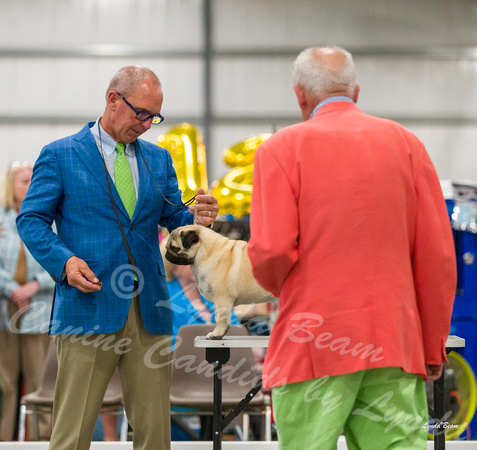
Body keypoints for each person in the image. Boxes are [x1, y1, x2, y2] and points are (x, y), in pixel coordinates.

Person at [247, 46, 457, 449]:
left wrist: (282, 287)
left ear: (300, 96)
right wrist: (431, 343)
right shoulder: (407, 145)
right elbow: (439, 258)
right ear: (355, 92)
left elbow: (272, 251)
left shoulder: (278, 150)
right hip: (393, 344)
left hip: (314, 344)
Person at [16, 66, 218, 450]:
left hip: (149, 311)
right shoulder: (60, 155)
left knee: (154, 435)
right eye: (140, 113)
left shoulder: (158, 160)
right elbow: (31, 219)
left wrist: (197, 219)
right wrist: (63, 262)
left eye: (154, 117)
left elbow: (172, 218)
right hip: (86, 305)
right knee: (71, 435)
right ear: (112, 100)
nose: (146, 124)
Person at [0, 161, 54, 441]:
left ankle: (41, 440)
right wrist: (12, 289)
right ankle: (4, 440)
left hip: (38, 308)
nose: (31, 184)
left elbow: (61, 259)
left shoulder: (48, 218)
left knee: (39, 381)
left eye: (34, 180)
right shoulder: (0, 218)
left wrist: (34, 286)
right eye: (24, 181)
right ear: (11, 186)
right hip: (4, 309)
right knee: (5, 383)